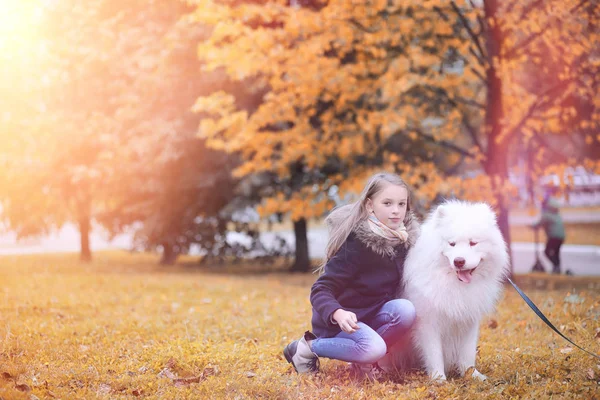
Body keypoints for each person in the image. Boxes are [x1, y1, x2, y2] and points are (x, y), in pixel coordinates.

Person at [283, 172, 420, 379]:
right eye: (388, 203)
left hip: (371, 313)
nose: (396, 211)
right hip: (342, 321)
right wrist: (338, 313)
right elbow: (320, 289)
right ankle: (307, 347)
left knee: (406, 310)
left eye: (402, 204)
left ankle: (363, 363)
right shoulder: (356, 244)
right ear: (369, 205)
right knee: (373, 349)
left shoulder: (402, 239)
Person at [532, 192, 566, 274]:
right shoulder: (556, 213)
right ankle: (557, 269)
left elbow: (539, 223)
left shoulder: (546, 214)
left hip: (554, 236)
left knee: (547, 252)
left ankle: (556, 266)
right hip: (561, 236)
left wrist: (533, 226)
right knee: (556, 253)